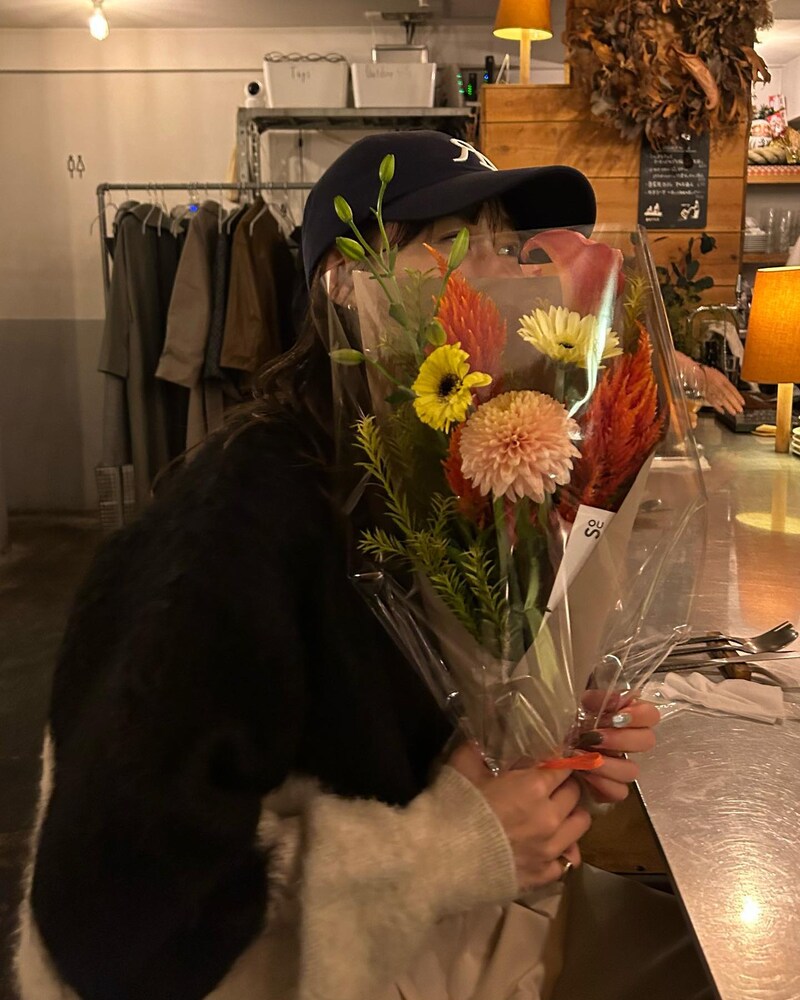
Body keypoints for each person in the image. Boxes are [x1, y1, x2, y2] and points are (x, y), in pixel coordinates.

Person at [15, 131, 711, 1000]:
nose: (498, 271)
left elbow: (436, 745)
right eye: (450, 242)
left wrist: (556, 753)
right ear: (342, 284)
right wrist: (455, 848)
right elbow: (108, 915)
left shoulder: (459, 473)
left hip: (490, 940)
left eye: (505, 244)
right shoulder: (244, 505)